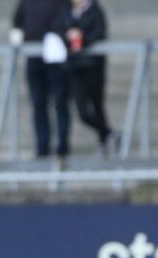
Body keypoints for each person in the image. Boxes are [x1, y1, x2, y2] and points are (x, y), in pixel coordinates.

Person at [56, 0, 118, 157]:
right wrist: (67, 35)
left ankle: (103, 140)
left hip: (93, 67)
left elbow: (99, 33)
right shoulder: (66, 9)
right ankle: (109, 133)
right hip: (75, 67)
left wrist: (83, 37)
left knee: (97, 106)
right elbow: (58, 28)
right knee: (83, 112)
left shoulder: (95, 11)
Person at [11, 0, 72, 159]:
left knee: (60, 102)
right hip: (34, 57)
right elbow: (18, 21)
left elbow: (66, 21)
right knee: (38, 103)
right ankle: (42, 146)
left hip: (55, 59)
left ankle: (62, 145)